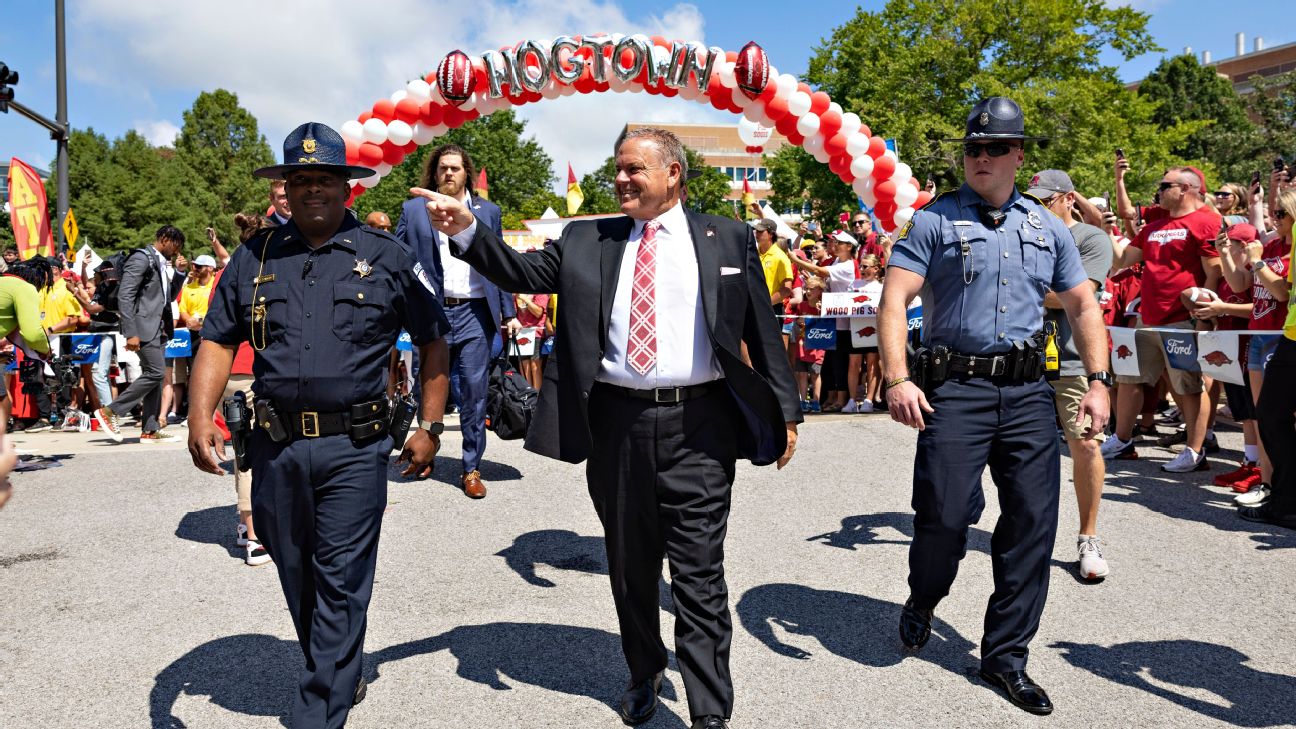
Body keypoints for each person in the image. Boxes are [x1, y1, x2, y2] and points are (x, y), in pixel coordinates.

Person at [412, 126, 800, 729]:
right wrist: (465, 227)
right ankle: (643, 671)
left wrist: (787, 411)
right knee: (630, 566)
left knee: (700, 573)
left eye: (634, 169)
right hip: (617, 426)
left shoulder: (728, 238)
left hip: (700, 426)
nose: (621, 179)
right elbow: (517, 271)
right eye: (617, 168)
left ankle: (710, 713)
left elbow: (760, 328)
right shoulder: (586, 238)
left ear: (674, 174)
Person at [186, 122, 450, 727]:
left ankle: (318, 711)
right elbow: (218, 339)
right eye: (298, 180)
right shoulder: (255, 258)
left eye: (323, 180)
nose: (310, 191)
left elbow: (435, 340)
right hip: (275, 446)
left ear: (345, 188)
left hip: (355, 447)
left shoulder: (387, 257)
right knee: (295, 568)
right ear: (284, 187)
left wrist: (428, 426)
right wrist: (199, 414)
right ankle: (336, 666)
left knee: (340, 581)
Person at [879, 98, 1110, 716]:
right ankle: (923, 597)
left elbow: (1085, 306)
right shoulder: (932, 221)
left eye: (993, 148)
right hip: (955, 390)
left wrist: (1099, 379)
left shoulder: (1048, 227)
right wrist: (899, 378)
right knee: (944, 518)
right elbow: (895, 300)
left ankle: (1005, 658)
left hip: (1031, 392)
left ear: (1018, 155)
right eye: (972, 149)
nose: (980, 158)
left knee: (1033, 524)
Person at [396, 143, 519, 499]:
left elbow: (500, 261)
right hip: (433, 312)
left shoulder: (488, 211)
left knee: (475, 392)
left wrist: (509, 312)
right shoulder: (414, 210)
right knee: (426, 385)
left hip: (476, 311)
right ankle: (426, 450)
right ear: (434, 173)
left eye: (456, 168)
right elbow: (399, 256)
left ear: (466, 172)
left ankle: (471, 468)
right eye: (443, 168)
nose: (449, 173)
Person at [1104, 160, 1223, 471]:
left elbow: (1214, 272)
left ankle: (1195, 452)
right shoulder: (1156, 224)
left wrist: (1203, 316)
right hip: (1148, 318)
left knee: (1189, 387)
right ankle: (1122, 439)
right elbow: (1125, 258)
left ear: (1185, 189)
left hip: (1182, 320)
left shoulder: (1206, 222)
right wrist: (1106, 230)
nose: (1158, 191)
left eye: (1164, 185)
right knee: (1130, 380)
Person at [1029, 169, 1114, 580]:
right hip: (1023, 357)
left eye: (1046, 199)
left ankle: (1088, 537)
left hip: (1072, 360)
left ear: (1068, 198)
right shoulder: (1024, 230)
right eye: (1033, 199)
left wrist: (1015, 288)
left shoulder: (1091, 239)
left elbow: (1074, 297)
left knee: (1086, 446)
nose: (1038, 207)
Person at [91, 227, 187, 443]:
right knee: (155, 373)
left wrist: (180, 274)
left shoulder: (160, 262)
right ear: (165, 239)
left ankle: (150, 430)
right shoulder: (142, 258)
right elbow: (126, 295)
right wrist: (131, 332)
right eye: (176, 246)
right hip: (143, 327)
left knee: (154, 378)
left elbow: (167, 295)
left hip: (158, 328)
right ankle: (110, 412)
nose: (177, 251)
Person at [1240, 190, 1296, 524]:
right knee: (1271, 416)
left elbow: (1280, 291)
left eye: (1281, 213)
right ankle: (1285, 500)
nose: (1274, 218)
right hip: (1289, 336)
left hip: (1288, 338)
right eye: (1271, 213)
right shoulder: (1279, 241)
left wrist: (1259, 262)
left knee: (1272, 415)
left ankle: (1287, 503)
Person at [790, 230, 860, 411]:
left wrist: (795, 259)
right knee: (831, 363)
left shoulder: (849, 265)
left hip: (845, 322)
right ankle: (832, 397)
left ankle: (841, 399)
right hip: (832, 319)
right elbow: (823, 280)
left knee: (839, 361)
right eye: (834, 242)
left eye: (839, 243)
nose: (835, 245)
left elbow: (819, 270)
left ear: (849, 247)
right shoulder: (837, 261)